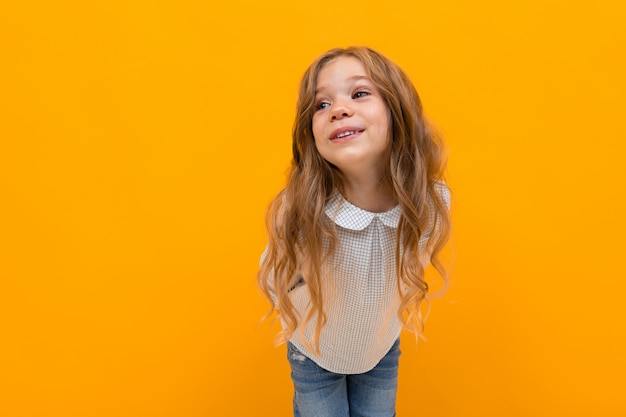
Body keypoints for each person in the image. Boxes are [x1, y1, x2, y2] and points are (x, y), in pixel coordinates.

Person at [258, 46, 452, 417]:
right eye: (321, 105)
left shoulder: (429, 202)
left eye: (359, 93)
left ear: (397, 110)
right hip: (314, 352)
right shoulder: (302, 208)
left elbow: (416, 262)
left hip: (379, 349)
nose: (339, 109)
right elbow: (273, 275)